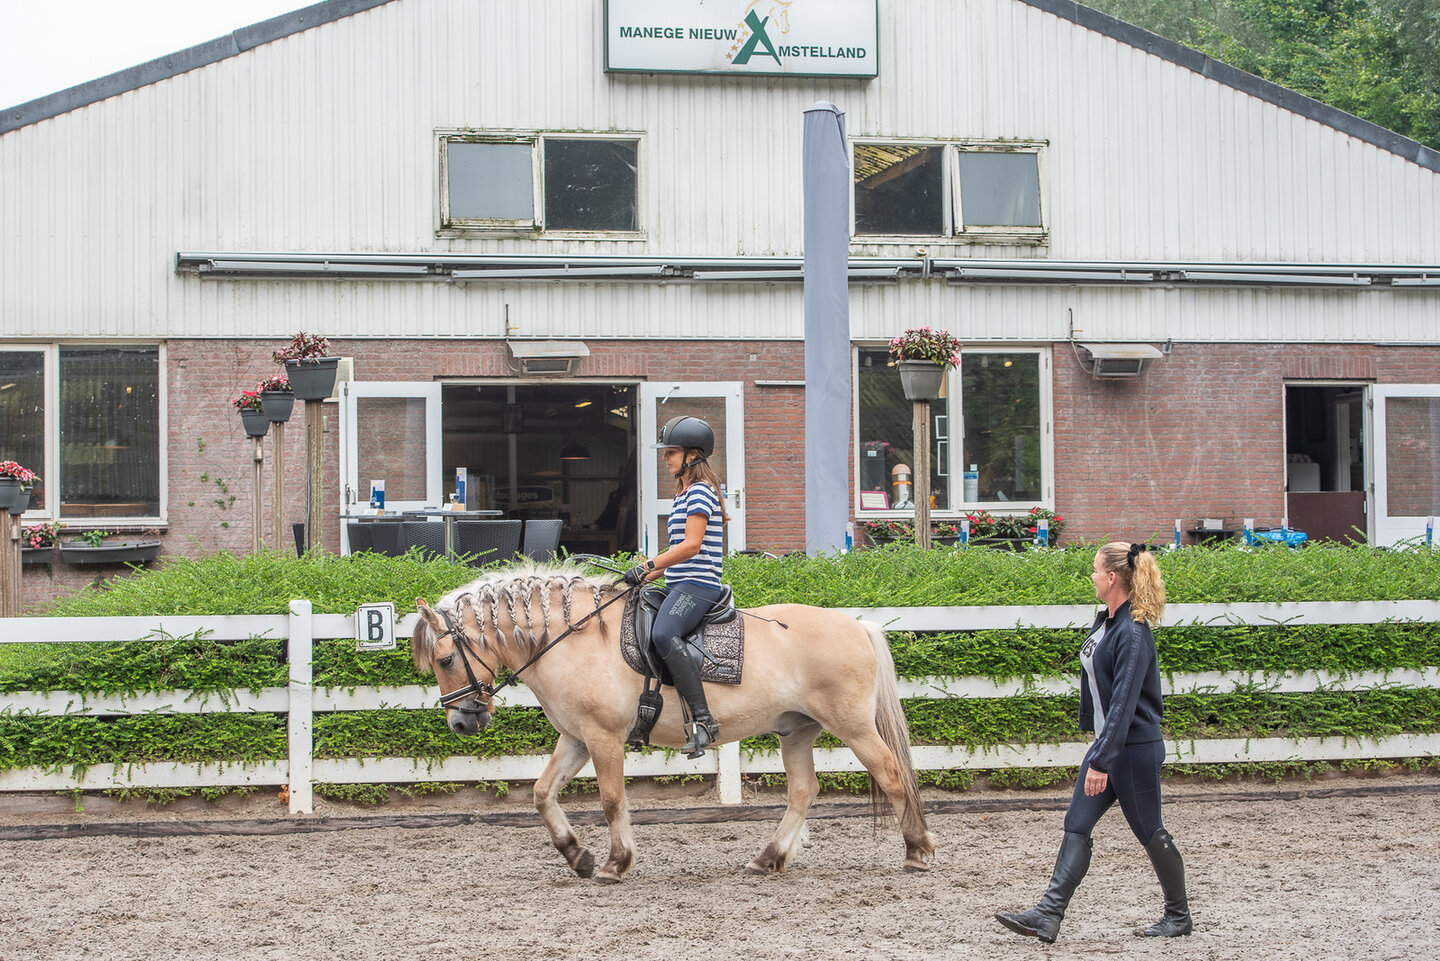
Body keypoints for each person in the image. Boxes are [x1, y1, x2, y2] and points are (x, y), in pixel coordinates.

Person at [995, 541, 1193, 943]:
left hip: (1132, 749)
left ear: (1112, 577)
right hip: (1108, 745)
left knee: (1150, 830)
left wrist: (1101, 760)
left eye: (1095, 569)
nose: (1091, 576)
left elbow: (1123, 702)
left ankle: (1179, 916)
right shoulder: (1108, 621)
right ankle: (1048, 915)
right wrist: (1101, 751)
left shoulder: (1134, 634)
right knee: (1077, 824)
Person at [622, 415, 729, 758]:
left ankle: (704, 721)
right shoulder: (682, 495)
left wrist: (649, 564)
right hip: (680, 583)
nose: (664, 458)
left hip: (699, 585)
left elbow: (691, 546)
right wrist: (643, 576)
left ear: (692, 456)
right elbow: (676, 555)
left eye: (671, 452)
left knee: (664, 635)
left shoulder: (700, 492)